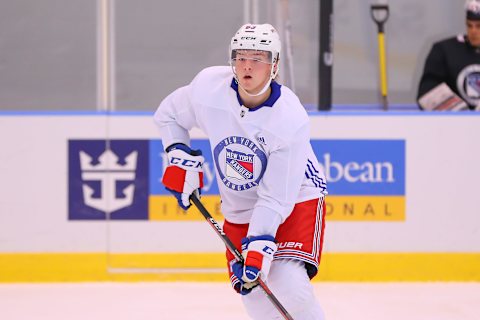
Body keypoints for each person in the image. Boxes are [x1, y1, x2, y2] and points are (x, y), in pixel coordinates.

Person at [154, 23, 328, 319]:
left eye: (257, 58)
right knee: (256, 297)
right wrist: (179, 155)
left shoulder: (289, 118)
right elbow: (169, 115)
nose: (246, 65)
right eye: (240, 56)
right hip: (240, 206)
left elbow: (276, 197)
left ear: (274, 65)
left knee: (288, 284)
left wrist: (259, 242)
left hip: (297, 195)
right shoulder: (209, 88)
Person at [417, 0, 480, 110]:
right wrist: (460, 113)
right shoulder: (443, 50)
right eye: (469, 25)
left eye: (479, 26)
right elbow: (426, 90)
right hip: (453, 125)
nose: (473, 31)